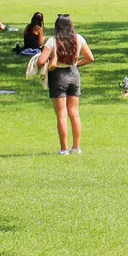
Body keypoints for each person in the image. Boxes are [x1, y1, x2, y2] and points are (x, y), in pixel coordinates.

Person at [37, 14, 93, 153]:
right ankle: (76, 147)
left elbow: (40, 62)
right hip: (74, 74)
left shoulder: (52, 41)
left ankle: (63, 150)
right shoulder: (78, 38)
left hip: (58, 76)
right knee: (74, 113)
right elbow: (90, 58)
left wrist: (53, 59)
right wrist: (76, 64)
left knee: (62, 115)